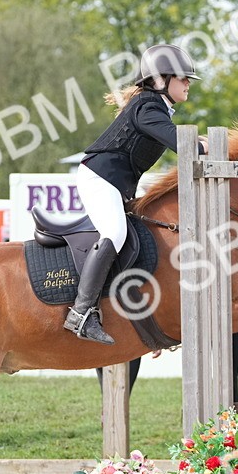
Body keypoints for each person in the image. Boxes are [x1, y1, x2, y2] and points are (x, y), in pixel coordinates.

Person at [67, 44, 203, 345]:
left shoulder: (154, 107)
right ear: (159, 81)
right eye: (182, 78)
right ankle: (81, 313)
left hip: (114, 183)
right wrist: (202, 145)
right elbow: (180, 143)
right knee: (114, 233)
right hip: (100, 179)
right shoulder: (148, 107)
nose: (188, 83)